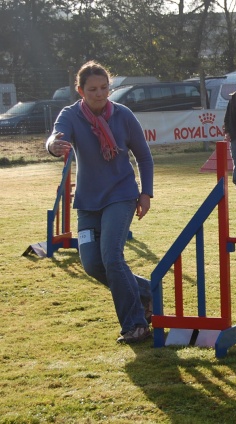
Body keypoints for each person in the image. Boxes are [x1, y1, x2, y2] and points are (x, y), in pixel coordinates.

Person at [45, 61, 154, 344]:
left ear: (110, 87)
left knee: (112, 258)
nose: (99, 94)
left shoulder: (123, 115)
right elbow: (56, 137)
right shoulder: (70, 115)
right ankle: (148, 291)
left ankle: (136, 325)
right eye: (92, 89)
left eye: (104, 87)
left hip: (122, 195)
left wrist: (146, 193)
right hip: (88, 201)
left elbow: (143, 156)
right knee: (92, 264)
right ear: (80, 90)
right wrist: (53, 146)